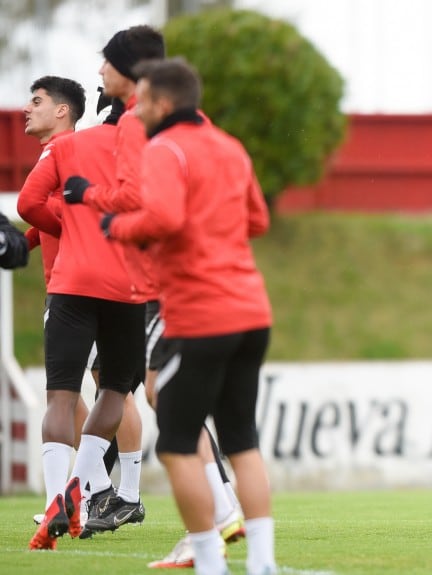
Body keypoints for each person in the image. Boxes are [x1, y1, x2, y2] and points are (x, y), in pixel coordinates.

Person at [104, 57, 275, 575]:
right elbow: (258, 220)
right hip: (252, 310)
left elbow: (164, 217)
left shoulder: (163, 148)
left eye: (145, 100)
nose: (138, 111)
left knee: (177, 445)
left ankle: (209, 560)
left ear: (163, 102)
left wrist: (118, 226)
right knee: (242, 441)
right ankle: (263, 564)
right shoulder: (229, 146)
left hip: (201, 314)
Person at [19, 80, 148, 550]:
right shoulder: (110, 151)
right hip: (112, 285)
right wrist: (29, 240)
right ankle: (96, 489)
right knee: (104, 393)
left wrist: (61, 231)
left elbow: (37, 207)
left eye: (36, 101)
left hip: (75, 288)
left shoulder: (69, 151)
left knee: (92, 393)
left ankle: (110, 493)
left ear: (65, 110)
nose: (25, 110)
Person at [62, 24, 165, 535]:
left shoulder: (140, 125)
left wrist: (90, 199)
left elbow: (139, 199)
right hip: (138, 280)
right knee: (119, 385)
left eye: (106, 62)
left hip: (151, 279)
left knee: (152, 389)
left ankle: (216, 503)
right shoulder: (177, 124)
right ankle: (99, 495)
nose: (99, 72)